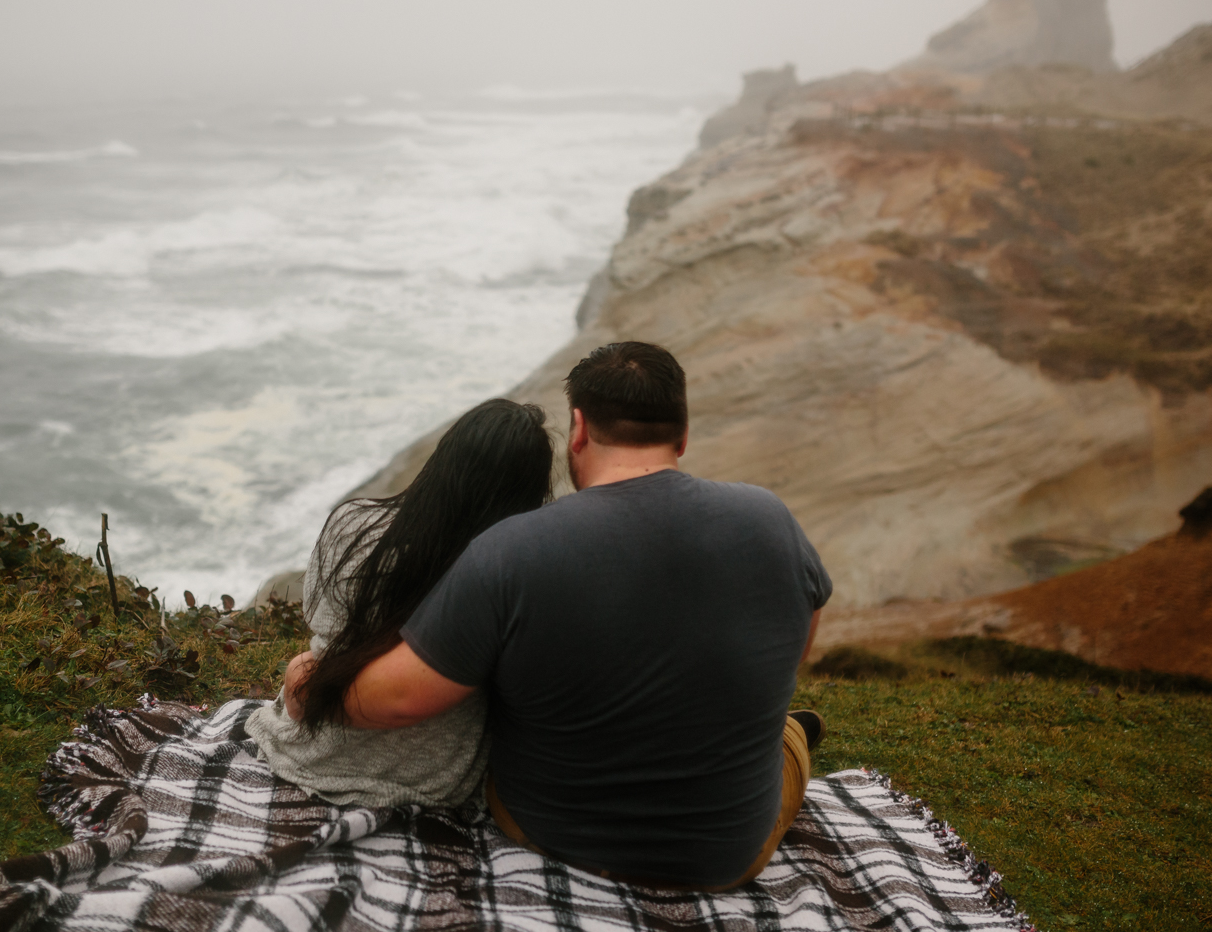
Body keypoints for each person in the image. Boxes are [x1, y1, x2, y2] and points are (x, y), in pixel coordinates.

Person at [285, 341, 831, 889]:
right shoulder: (770, 517)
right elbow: (797, 640)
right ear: (683, 436)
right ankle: (794, 735)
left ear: (577, 430)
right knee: (783, 736)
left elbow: (398, 701)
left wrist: (313, 683)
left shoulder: (512, 549)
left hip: (553, 836)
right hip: (728, 858)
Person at [247, 397, 554, 808]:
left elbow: (320, 624)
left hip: (310, 752)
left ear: (444, 461)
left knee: (302, 665)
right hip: (431, 782)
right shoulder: (511, 573)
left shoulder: (350, 523)